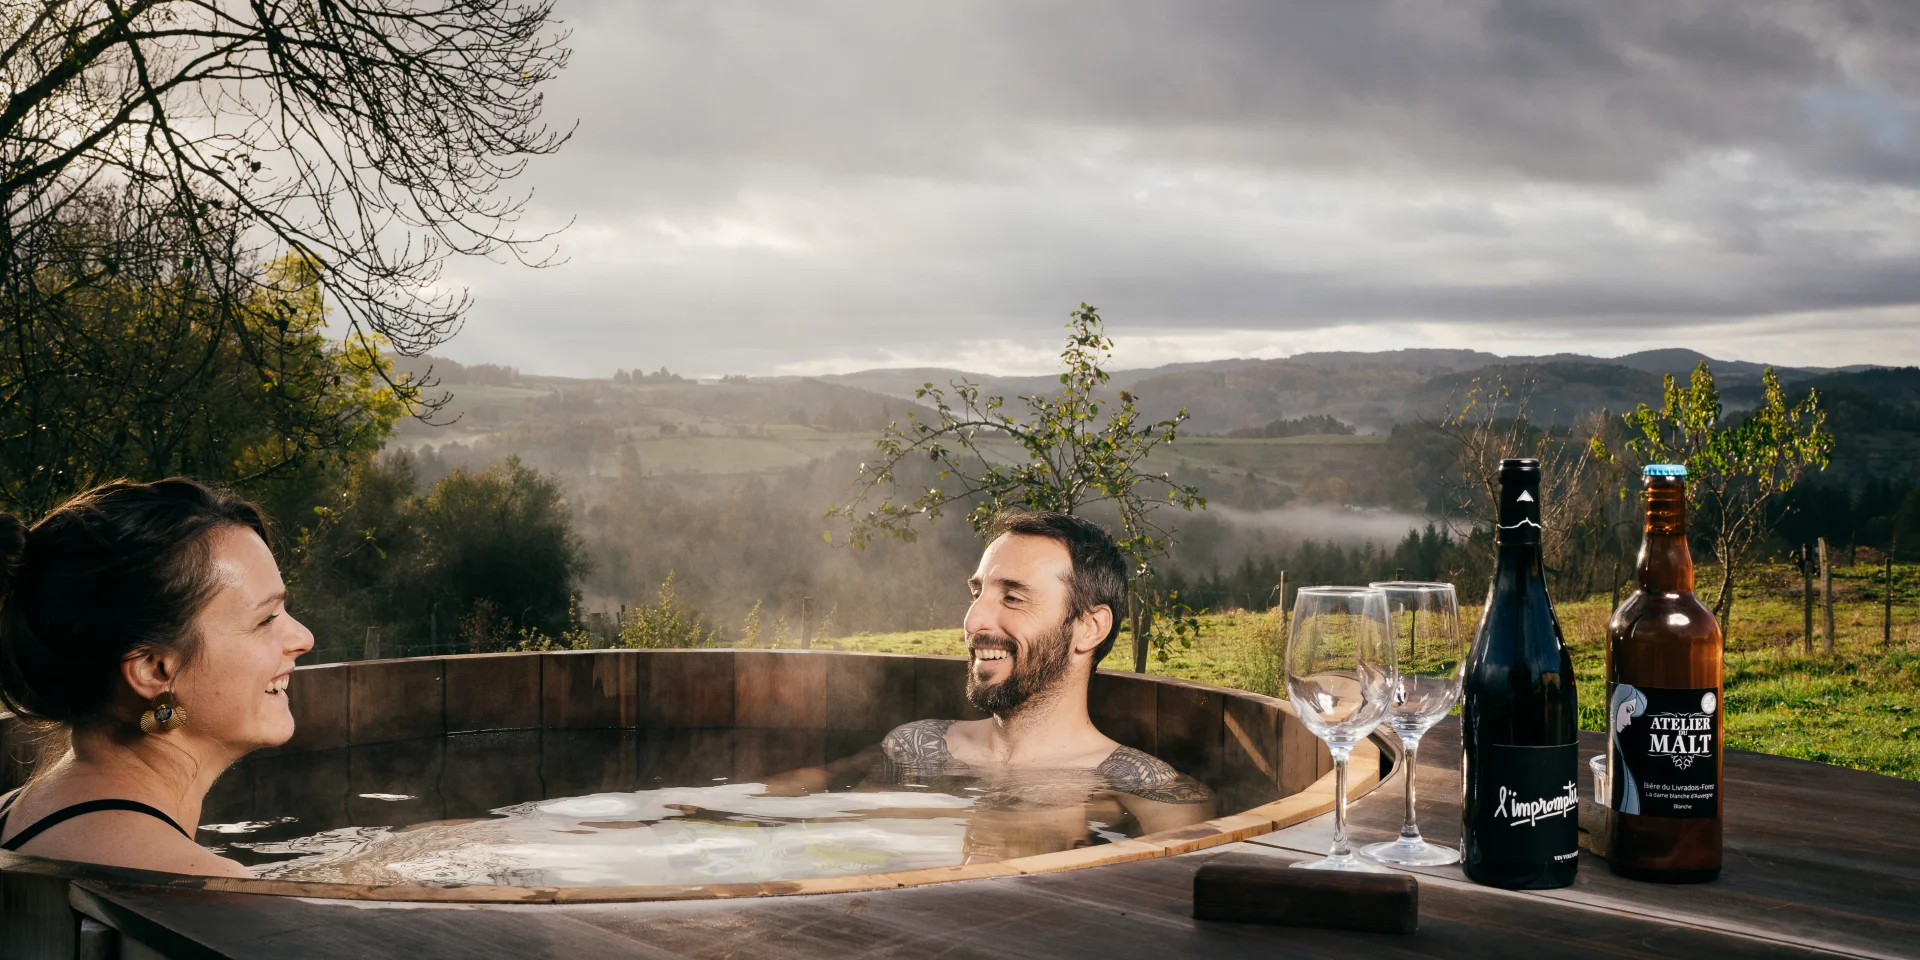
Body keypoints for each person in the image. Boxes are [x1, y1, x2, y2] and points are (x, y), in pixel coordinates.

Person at [0, 479, 314, 876]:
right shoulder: (199, 886)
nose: (304, 638)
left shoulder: (15, 814)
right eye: (266, 618)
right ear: (153, 670)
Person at [881, 511, 1213, 843]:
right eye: (976, 594)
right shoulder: (914, 747)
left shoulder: (1150, 791)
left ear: (1089, 628)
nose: (972, 621)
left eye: (1013, 598)